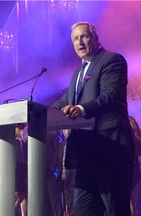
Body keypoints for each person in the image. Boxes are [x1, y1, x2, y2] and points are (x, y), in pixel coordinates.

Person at [52, 22, 134, 216]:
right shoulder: (77, 73)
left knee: (115, 210)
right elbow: (65, 101)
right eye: (75, 38)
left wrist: (81, 109)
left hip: (110, 150)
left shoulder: (112, 60)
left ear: (95, 39)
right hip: (85, 155)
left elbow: (110, 97)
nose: (79, 42)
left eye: (84, 36)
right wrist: (36, 111)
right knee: (81, 212)